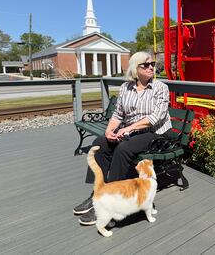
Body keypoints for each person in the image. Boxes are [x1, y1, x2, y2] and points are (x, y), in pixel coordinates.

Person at [73, 51, 172, 225]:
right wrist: (110, 131)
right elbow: (118, 114)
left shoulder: (160, 88)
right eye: (146, 65)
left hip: (153, 133)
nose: (151, 67)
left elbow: (156, 117)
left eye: (152, 64)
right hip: (130, 131)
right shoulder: (126, 88)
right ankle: (97, 193)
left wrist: (129, 128)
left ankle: (111, 202)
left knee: (123, 149)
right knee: (99, 145)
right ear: (135, 68)